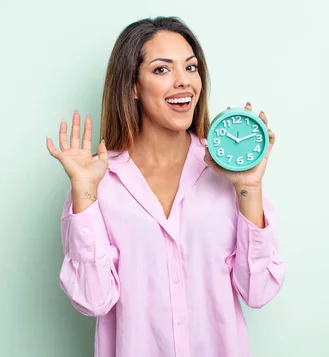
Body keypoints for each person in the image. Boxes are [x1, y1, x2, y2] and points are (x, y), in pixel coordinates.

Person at [46, 16, 285, 357]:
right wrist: (84, 193)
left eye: (191, 67)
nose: (183, 82)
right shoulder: (101, 182)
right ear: (132, 86)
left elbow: (258, 291)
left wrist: (248, 187)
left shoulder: (230, 174)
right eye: (162, 70)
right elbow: (93, 299)